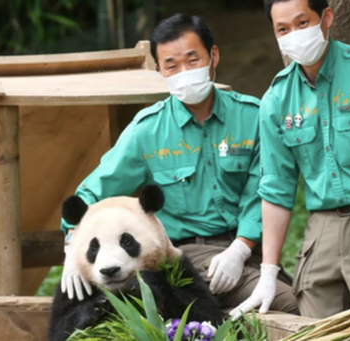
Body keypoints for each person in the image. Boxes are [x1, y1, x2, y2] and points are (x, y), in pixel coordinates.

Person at [58, 13, 299, 316]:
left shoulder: (253, 116)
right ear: (159, 70)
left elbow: (263, 191)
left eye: (192, 60)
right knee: (287, 303)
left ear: (213, 56)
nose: (184, 72)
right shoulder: (148, 130)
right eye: (171, 65)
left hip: (246, 251)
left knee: (291, 298)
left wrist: (239, 249)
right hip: (181, 256)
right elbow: (92, 191)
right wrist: (72, 245)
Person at [229, 0, 350, 340]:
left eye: (302, 22)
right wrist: (267, 271)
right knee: (315, 334)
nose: (294, 35)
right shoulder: (276, 99)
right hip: (320, 232)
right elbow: (276, 188)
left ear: (326, 18)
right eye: (283, 29)